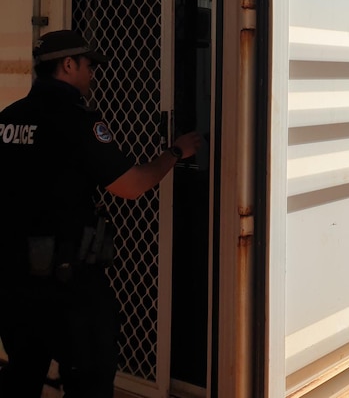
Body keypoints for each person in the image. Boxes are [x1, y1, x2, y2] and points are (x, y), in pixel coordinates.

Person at [0, 30, 202, 397]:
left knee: (22, 376)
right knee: (90, 380)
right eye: (89, 66)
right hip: (68, 288)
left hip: (14, 284)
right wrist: (175, 153)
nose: (93, 74)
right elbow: (132, 185)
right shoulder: (77, 122)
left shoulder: (7, 118)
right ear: (68, 64)